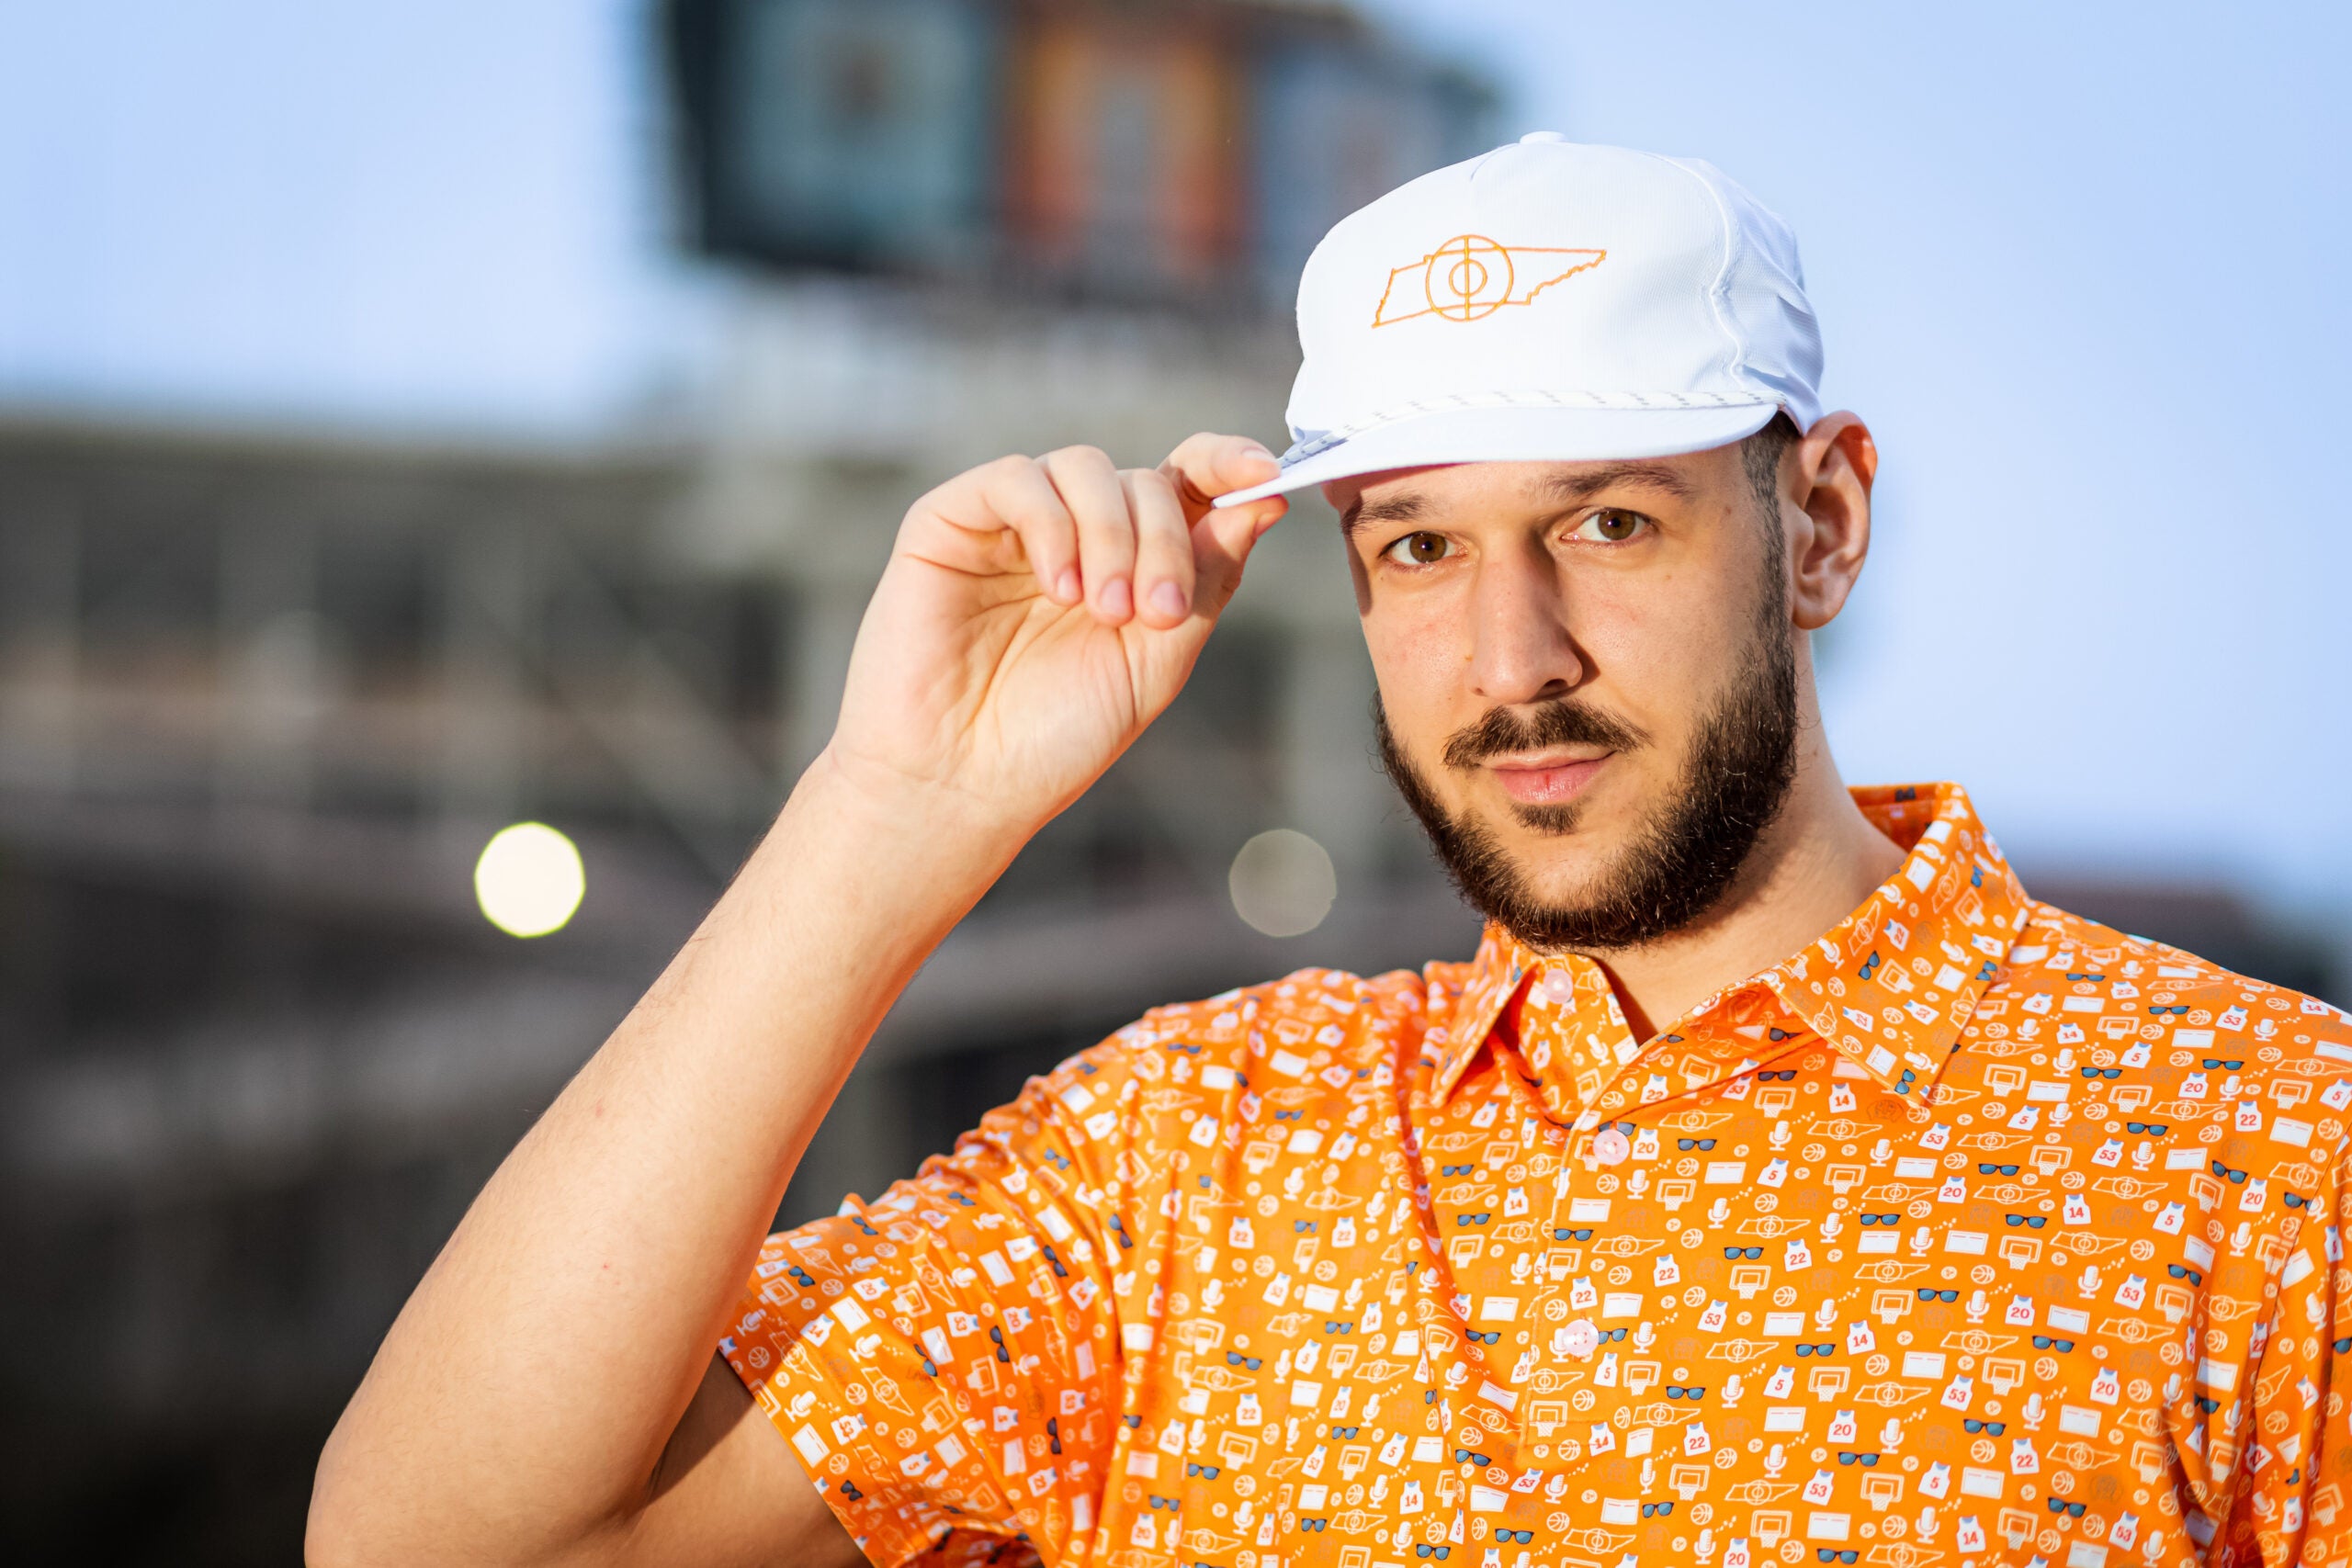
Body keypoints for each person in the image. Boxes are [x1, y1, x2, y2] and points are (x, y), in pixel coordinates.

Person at [308, 138, 2348, 1568]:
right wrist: (889, 813)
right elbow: (446, 1544)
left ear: (1816, 523)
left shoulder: (2270, 1154)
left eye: (1608, 522)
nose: (1507, 658)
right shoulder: (1178, 1166)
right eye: (1416, 546)